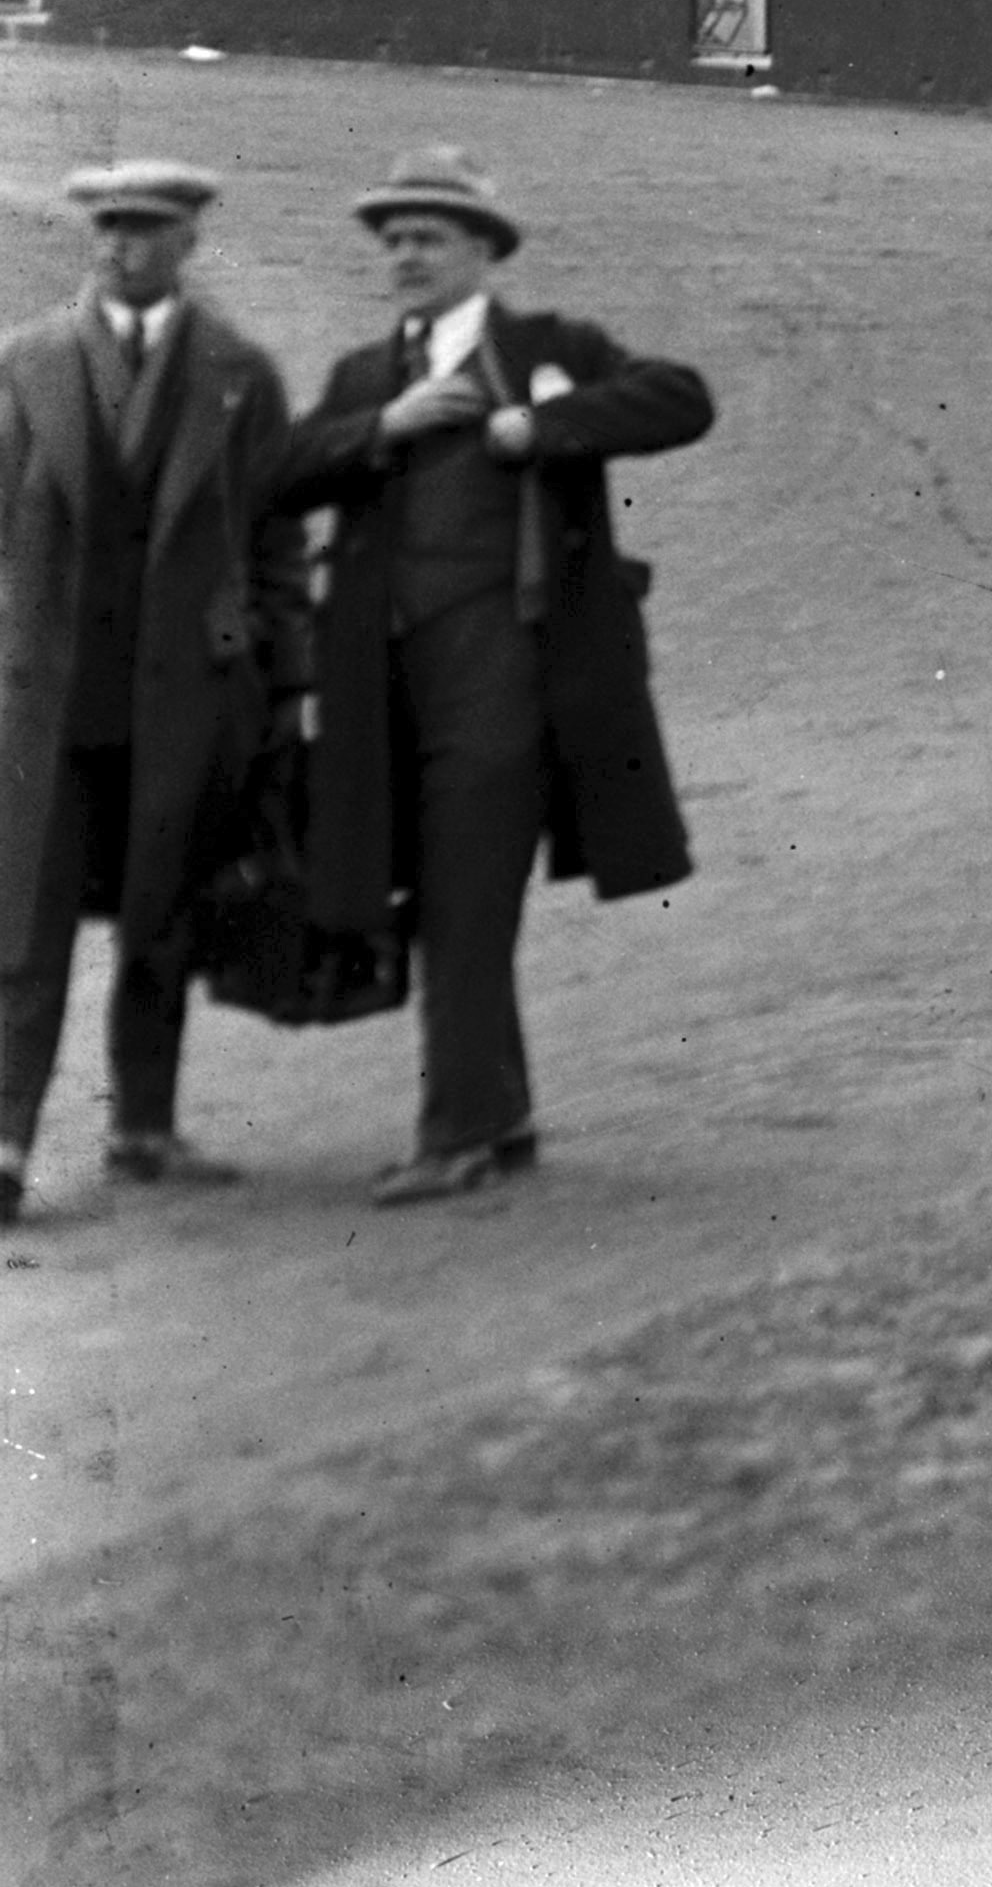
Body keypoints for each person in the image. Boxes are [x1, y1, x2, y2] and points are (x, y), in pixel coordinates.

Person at [279, 145, 715, 1206]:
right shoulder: (365, 378)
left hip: (514, 679)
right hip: (389, 690)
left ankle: (457, 1135)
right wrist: (382, 428)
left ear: (484, 250)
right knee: (440, 898)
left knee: (466, 896)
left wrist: (544, 427)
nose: (405, 256)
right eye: (392, 239)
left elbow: (683, 399)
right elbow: (272, 477)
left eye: (428, 237)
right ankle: (500, 1112)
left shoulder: (550, 348)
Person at [1, 162, 315, 1222]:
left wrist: (261, 670)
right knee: (23, 922)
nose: (117, 246)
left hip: (186, 702)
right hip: (52, 698)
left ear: (189, 241)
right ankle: (5, 1141)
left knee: (161, 912)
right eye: (107, 226)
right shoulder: (28, 363)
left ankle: (142, 1126)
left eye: (143, 229)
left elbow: (269, 543)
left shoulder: (239, 374)